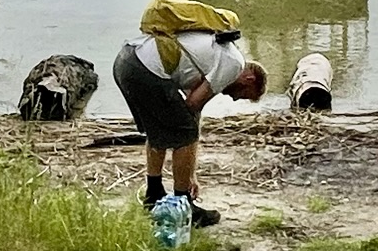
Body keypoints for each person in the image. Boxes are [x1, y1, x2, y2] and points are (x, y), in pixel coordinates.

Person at [113, 17, 266, 227]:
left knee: (160, 129)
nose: (234, 99)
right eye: (243, 95)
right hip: (146, 70)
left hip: (127, 60)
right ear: (250, 79)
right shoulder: (233, 64)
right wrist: (188, 174)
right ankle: (184, 204)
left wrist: (190, 173)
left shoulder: (217, 55)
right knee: (184, 134)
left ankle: (153, 193)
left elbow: (192, 106)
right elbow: (193, 105)